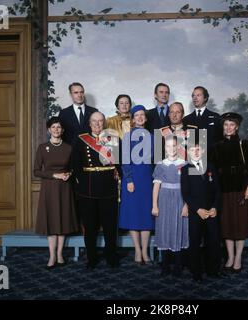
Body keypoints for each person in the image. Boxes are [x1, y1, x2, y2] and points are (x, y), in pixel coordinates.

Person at [211, 112, 248, 273]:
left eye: (232, 124)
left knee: (239, 225)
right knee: (227, 225)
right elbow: (213, 171)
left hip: (240, 190)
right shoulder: (217, 146)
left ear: (237, 127)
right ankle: (230, 256)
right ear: (223, 127)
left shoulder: (246, 145)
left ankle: (238, 257)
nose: (228, 127)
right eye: (226, 124)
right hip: (224, 191)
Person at [73, 111, 120, 269]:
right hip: (89, 188)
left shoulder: (113, 139)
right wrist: (82, 184)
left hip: (109, 187)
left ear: (104, 123)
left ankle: (111, 257)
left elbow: (119, 163)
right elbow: (76, 164)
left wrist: (117, 173)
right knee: (90, 226)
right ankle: (91, 258)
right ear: (90, 123)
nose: (98, 124)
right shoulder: (80, 140)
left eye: (101, 121)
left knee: (110, 226)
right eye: (95, 121)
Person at [34, 117, 78, 269]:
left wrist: (68, 174)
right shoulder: (42, 147)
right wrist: (54, 175)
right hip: (49, 188)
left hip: (64, 188)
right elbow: (36, 171)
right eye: (53, 127)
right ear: (48, 130)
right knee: (52, 221)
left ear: (62, 130)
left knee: (63, 220)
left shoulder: (68, 148)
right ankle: (52, 255)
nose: (56, 130)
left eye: (59, 127)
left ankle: (59, 254)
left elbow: (73, 168)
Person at [118, 105, 155, 264]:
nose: (140, 118)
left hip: (148, 179)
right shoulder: (127, 137)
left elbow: (158, 162)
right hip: (132, 179)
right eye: (136, 115)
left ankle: (145, 251)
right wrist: (129, 180)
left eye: (142, 115)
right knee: (133, 215)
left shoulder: (154, 136)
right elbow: (125, 161)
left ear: (146, 118)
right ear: (132, 119)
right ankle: (137, 251)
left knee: (146, 216)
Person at [181, 142, 222, 282]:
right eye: (193, 150)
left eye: (198, 149)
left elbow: (217, 191)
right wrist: (197, 209)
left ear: (203, 151)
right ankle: (196, 273)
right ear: (189, 152)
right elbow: (185, 194)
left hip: (211, 212)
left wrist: (215, 207)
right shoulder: (186, 169)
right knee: (195, 242)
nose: (196, 152)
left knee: (214, 241)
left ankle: (214, 270)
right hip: (196, 212)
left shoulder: (210, 166)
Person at [152, 136, 188, 277]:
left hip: (180, 198)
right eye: (168, 146)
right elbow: (156, 186)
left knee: (179, 226)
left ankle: (178, 265)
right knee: (165, 227)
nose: (171, 149)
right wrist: (154, 205)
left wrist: (187, 205)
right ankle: (165, 265)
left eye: (174, 146)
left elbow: (189, 188)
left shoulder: (184, 164)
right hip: (164, 199)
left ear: (178, 147)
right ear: (164, 148)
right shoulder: (161, 164)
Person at [183, 86, 221, 157]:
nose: (195, 98)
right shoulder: (186, 119)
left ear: (205, 98)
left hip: (211, 159)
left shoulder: (216, 117)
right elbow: (184, 143)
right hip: (192, 161)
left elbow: (219, 141)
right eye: (193, 96)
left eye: (198, 95)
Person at [58, 82, 97, 147]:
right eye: (76, 92)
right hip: (70, 153)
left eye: (81, 92)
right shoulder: (63, 113)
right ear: (70, 94)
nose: (79, 95)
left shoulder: (94, 112)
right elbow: (60, 136)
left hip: (90, 153)